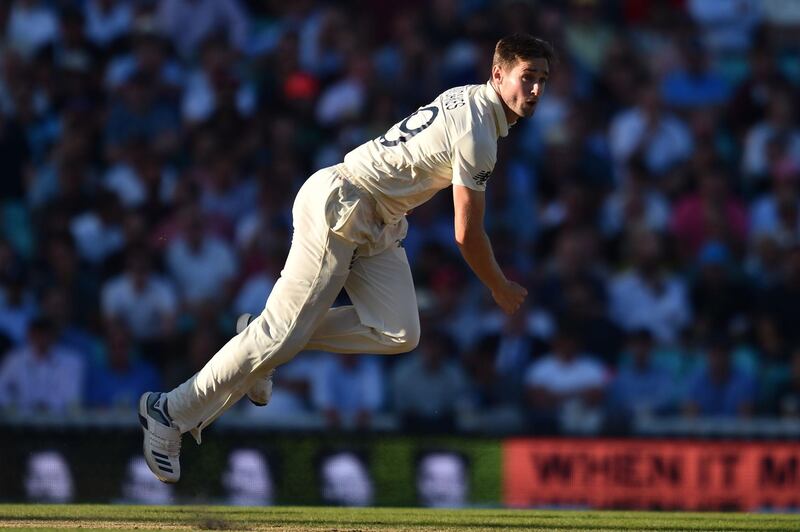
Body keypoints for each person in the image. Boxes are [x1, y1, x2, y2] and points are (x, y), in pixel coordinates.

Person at [138, 33, 553, 483]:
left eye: (543, 81)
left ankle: (268, 344)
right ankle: (168, 412)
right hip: (344, 201)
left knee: (398, 333)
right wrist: (498, 285)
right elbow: (466, 234)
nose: (534, 91)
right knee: (280, 334)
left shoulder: (470, 101)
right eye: (526, 78)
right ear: (497, 74)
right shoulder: (479, 131)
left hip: (378, 218)